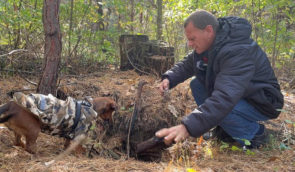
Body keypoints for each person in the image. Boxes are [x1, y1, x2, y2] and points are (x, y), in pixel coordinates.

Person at [156, 9, 284, 148]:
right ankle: (228, 129)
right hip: (243, 95)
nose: (189, 44)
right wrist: (169, 78)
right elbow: (188, 64)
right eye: (188, 40)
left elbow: (225, 98)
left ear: (209, 31)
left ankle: (257, 136)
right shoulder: (211, 44)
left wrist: (188, 126)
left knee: (223, 108)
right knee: (197, 85)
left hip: (263, 101)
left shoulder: (237, 51)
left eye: (192, 39)